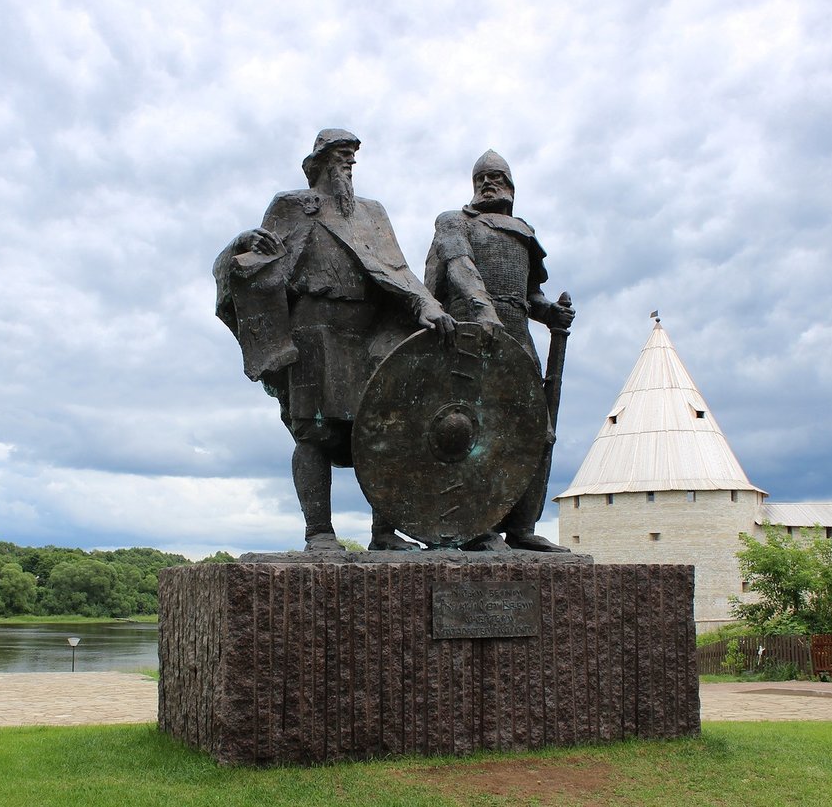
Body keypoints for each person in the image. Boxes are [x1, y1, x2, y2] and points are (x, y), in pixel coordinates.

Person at [214, 129, 454, 551]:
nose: (349, 164)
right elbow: (252, 263)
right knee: (314, 433)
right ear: (319, 162)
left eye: (352, 158)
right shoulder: (292, 206)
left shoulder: (372, 213)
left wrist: (424, 305)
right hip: (314, 329)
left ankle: (384, 533)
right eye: (341, 156)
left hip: (373, 332)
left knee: (387, 430)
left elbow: (396, 269)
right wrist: (241, 243)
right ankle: (319, 533)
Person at [425, 150, 575, 551]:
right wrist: (482, 308)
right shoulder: (454, 221)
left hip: (517, 339)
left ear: (511, 185)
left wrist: (551, 313)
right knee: (478, 430)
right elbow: (459, 268)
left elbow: (529, 296)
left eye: (497, 177)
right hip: (471, 338)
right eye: (481, 178)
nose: (488, 183)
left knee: (536, 433)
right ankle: (478, 528)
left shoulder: (523, 232)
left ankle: (522, 527)